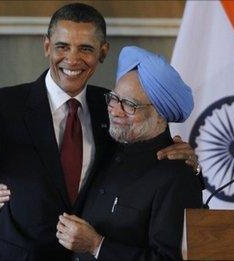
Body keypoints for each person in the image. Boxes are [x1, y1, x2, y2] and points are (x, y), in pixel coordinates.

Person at [0, 3, 199, 260]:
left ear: (103, 52)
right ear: (47, 46)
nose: (72, 59)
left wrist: (186, 159)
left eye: (85, 48)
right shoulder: (3, 107)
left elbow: (140, 165)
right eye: (62, 46)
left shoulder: (111, 109)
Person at [58, 46, 202, 260]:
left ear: (160, 115)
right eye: (114, 98)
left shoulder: (177, 177)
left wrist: (97, 245)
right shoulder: (106, 147)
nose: (115, 111)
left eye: (130, 105)